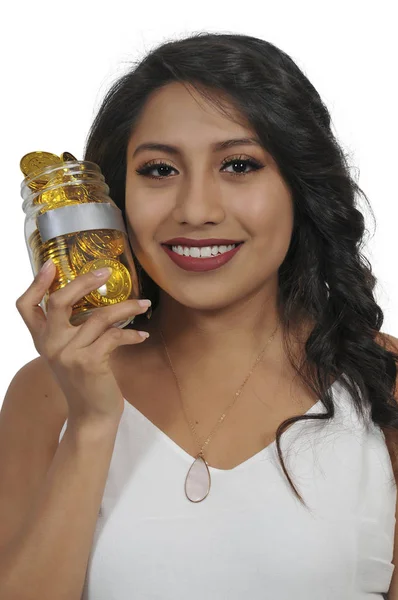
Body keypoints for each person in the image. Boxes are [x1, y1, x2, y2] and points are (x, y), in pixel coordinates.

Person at [1, 32, 398, 600]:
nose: (196, 211)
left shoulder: (383, 380)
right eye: (159, 170)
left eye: (238, 165)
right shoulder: (48, 394)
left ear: (299, 187)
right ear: (112, 201)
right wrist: (90, 423)